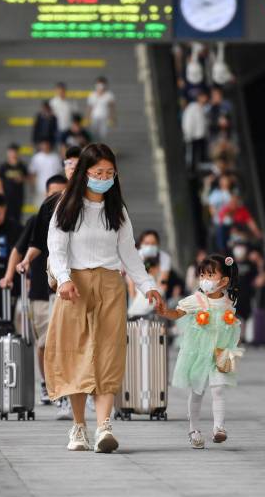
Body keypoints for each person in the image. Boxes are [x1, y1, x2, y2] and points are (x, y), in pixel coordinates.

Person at [45, 143, 164, 453]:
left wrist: (148, 284)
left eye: (109, 173)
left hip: (111, 284)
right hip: (75, 287)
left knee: (109, 353)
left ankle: (104, 427)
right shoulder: (66, 207)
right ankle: (78, 427)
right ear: (83, 173)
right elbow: (55, 249)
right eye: (98, 173)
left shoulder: (117, 209)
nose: (104, 178)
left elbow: (129, 253)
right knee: (76, 353)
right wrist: (64, 279)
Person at [15, 145, 81, 419]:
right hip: (61, 284)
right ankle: (63, 394)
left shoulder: (100, 200)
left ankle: (85, 392)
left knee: (84, 342)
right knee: (59, 341)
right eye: (69, 164)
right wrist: (27, 260)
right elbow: (39, 242)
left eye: (78, 164)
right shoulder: (51, 205)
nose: (73, 168)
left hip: (91, 279)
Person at [157, 254, 242, 449]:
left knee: (219, 388)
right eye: (202, 274)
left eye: (210, 275)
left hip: (222, 351)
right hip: (199, 352)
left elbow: (232, 324)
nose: (204, 279)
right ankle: (194, 429)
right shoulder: (196, 299)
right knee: (198, 391)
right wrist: (165, 312)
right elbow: (177, 313)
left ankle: (219, 427)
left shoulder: (229, 301)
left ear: (224, 281)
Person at [1, 175, 68, 406]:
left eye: (62, 193)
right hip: (40, 290)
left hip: (67, 290)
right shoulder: (38, 219)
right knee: (45, 344)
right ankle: (46, 382)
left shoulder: (75, 218)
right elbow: (21, 249)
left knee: (65, 341)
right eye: (52, 194)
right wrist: (11, 274)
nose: (57, 198)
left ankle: (65, 387)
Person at [0, 143, 29, 223]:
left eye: (15, 152)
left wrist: (22, 179)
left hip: (18, 195)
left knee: (17, 215)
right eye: (11, 152)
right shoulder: (3, 166)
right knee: (6, 215)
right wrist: (0, 193)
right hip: (6, 196)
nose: (13, 154)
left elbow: (27, 177)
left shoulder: (22, 166)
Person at [137, 230, 172, 296]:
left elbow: (163, 281)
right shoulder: (135, 257)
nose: (150, 246)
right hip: (138, 293)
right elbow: (131, 283)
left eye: (153, 243)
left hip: (157, 292)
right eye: (147, 243)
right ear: (141, 244)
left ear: (158, 244)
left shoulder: (165, 258)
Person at [182, 90, 209, 173]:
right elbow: (188, 122)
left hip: (201, 138)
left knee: (201, 158)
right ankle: (191, 172)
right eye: (203, 97)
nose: (205, 99)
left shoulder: (203, 108)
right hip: (193, 138)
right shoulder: (192, 107)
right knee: (192, 158)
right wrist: (188, 135)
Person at [86, 76, 116, 141]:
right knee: (93, 134)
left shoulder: (109, 95)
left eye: (102, 84)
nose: (100, 86)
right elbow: (89, 107)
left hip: (105, 118)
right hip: (94, 117)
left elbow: (112, 107)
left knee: (103, 135)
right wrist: (88, 118)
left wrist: (112, 117)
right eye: (98, 84)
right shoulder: (92, 95)